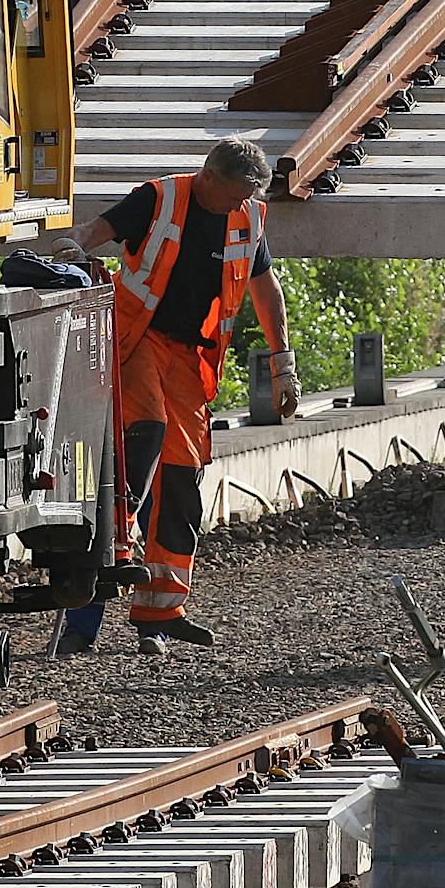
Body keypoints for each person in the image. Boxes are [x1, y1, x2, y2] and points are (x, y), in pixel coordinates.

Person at [52, 137, 297, 656]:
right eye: (236, 194)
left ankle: (159, 611)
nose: (241, 205)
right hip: (136, 340)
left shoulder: (247, 218)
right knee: (143, 439)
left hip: (190, 361)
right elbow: (97, 231)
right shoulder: (159, 199)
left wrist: (283, 364)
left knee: (181, 477)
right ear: (209, 178)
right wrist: (75, 246)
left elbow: (264, 289)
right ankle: (100, 580)